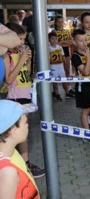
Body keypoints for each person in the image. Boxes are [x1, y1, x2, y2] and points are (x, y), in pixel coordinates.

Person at [2, 22, 45, 178]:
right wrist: (20, 60)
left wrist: (27, 62)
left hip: (25, 95)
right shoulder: (6, 55)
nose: (22, 43)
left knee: (24, 131)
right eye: (19, 39)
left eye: (23, 40)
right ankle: (24, 164)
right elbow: (8, 79)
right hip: (14, 97)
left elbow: (25, 75)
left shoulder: (20, 53)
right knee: (17, 132)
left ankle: (24, 162)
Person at [0, 100, 40, 199]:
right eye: (25, 123)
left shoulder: (12, 153)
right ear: (12, 131)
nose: (27, 126)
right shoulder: (8, 172)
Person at [53, 15, 76, 98]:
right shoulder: (53, 32)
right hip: (56, 53)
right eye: (59, 22)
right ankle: (56, 92)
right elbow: (55, 43)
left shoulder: (67, 31)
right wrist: (65, 42)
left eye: (62, 22)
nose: (60, 23)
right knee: (56, 72)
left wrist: (62, 42)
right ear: (55, 22)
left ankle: (68, 89)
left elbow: (71, 41)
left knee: (66, 71)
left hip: (66, 51)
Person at [48, 31, 71, 101]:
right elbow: (48, 60)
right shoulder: (48, 48)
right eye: (52, 39)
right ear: (49, 40)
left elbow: (63, 56)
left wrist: (65, 62)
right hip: (53, 67)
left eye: (56, 39)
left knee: (64, 79)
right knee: (55, 81)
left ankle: (67, 92)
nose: (54, 40)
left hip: (60, 66)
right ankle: (56, 93)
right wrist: (55, 61)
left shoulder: (60, 47)